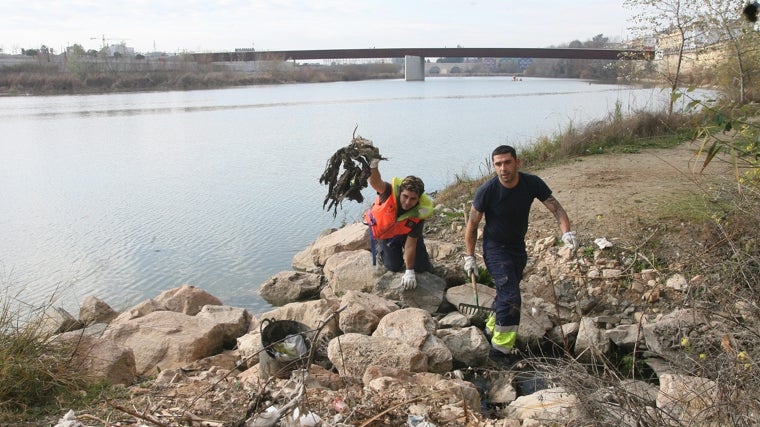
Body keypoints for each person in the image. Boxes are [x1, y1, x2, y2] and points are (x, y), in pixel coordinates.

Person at [463, 145, 578, 357]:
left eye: (507, 162)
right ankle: (500, 350)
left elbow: (557, 209)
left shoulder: (531, 183)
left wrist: (567, 233)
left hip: (518, 247)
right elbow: (472, 224)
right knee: (512, 297)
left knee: (507, 290)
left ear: (517, 162)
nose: (503, 168)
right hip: (495, 248)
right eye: (498, 164)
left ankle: (491, 326)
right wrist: (469, 257)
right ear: (493, 166)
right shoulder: (487, 191)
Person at [364, 157, 434, 290]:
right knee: (393, 266)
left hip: (406, 235)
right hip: (386, 235)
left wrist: (409, 271)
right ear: (400, 192)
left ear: (419, 199)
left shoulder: (419, 213)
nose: (408, 202)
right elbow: (375, 182)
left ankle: (419, 261)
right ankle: (382, 251)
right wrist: (373, 165)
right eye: (405, 196)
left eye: (413, 199)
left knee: (420, 267)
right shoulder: (388, 191)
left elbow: (410, 244)